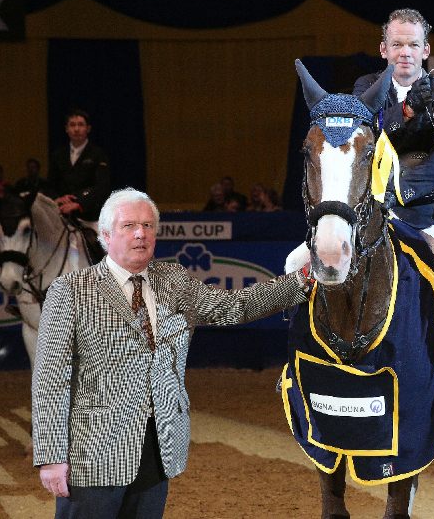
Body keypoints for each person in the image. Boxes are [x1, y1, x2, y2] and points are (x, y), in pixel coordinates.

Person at [32, 187, 313, 518]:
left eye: (149, 226)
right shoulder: (71, 290)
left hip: (158, 449)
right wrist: (51, 456)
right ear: (106, 234)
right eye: (129, 226)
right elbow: (50, 378)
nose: (141, 234)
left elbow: (233, 307)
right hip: (93, 456)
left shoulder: (174, 280)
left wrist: (301, 280)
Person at [352, 8, 434, 404]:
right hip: (372, 214)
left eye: (412, 44)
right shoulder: (367, 87)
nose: (404, 52)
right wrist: (408, 117)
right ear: (384, 49)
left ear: (426, 50)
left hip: (422, 214)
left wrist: (402, 192)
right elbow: (369, 138)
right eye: (397, 44)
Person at [47, 109, 111, 221]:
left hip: (90, 216)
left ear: (88, 128)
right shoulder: (58, 155)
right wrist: (58, 198)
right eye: (72, 125)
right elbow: (50, 185)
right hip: (61, 216)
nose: (76, 129)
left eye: (81, 125)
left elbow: (102, 187)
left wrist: (79, 204)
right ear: (66, 129)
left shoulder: (98, 154)